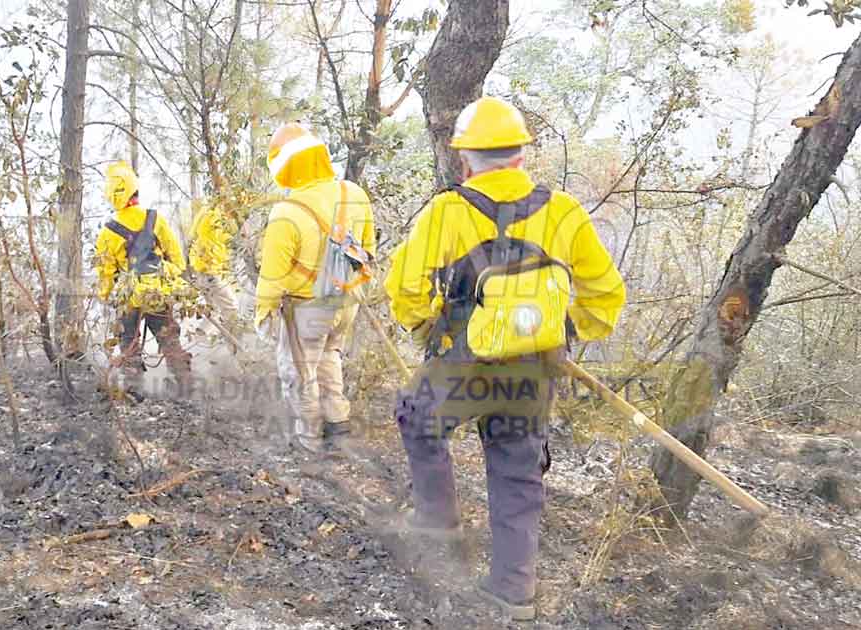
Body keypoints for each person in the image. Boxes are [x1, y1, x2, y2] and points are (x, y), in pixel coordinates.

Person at [383, 96, 626, 621]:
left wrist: (427, 326)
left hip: (463, 364)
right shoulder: (563, 211)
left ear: (465, 159)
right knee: (518, 470)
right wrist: (565, 331)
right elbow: (605, 294)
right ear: (521, 157)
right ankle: (513, 592)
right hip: (535, 368)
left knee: (418, 416)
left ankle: (439, 527)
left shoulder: (448, 209)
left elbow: (403, 286)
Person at [255, 123, 376, 454]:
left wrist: (263, 313)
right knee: (329, 358)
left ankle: (309, 440)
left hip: (307, 309)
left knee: (299, 372)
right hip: (347, 302)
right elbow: (367, 250)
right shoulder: (354, 194)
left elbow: (272, 277)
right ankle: (338, 425)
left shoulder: (287, 212)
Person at [94, 161, 192, 395]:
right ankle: (186, 387)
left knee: (128, 341)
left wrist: (105, 295)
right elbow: (176, 256)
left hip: (129, 298)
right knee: (169, 339)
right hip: (158, 293)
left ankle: (134, 392)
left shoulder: (108, 231)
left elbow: (105, 272)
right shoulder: (155, 218)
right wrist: (172, 277)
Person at [187, 198, 246, 338]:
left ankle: (199, 337)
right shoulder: (216, 216)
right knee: (231, 308)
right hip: (209, 270)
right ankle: (235, 344)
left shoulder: (205, 210)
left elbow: (193, 236)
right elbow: (223, 240)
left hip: (201, 268)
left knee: (212, 308)